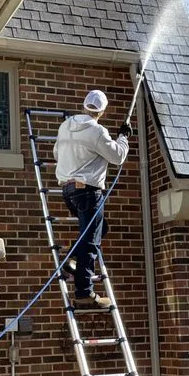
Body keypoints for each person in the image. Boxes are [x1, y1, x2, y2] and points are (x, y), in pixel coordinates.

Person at [53, 89, 132, 309]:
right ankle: (84, 292)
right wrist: (123, 137)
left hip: (69, 192)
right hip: (88, 192)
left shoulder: (65, 126)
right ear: (102, 111)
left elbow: (56, 154)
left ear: (84, 105)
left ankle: (73, 261)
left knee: (98, 229)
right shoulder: (97, 131)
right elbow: (117, 157)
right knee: (90, 241)